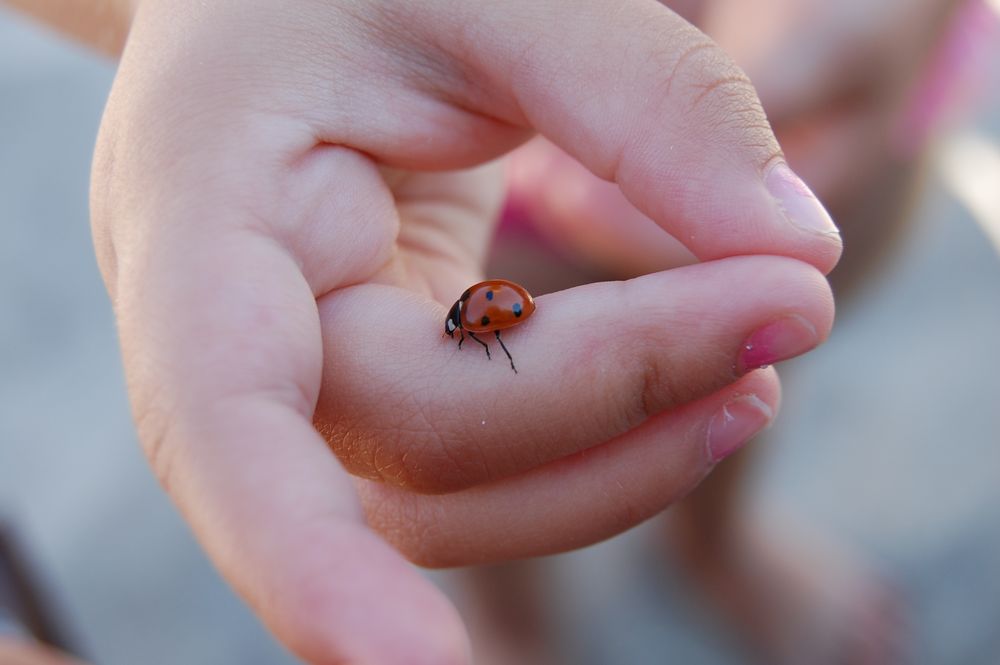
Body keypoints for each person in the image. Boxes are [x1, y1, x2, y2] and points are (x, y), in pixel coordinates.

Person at [6, 0, 843, 663]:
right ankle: (525, 623)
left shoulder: (477, 309)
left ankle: (716, 542)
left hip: (809, 113)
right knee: (511, 440)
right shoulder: (472, 278)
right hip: (487, 152)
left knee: (723, 359)